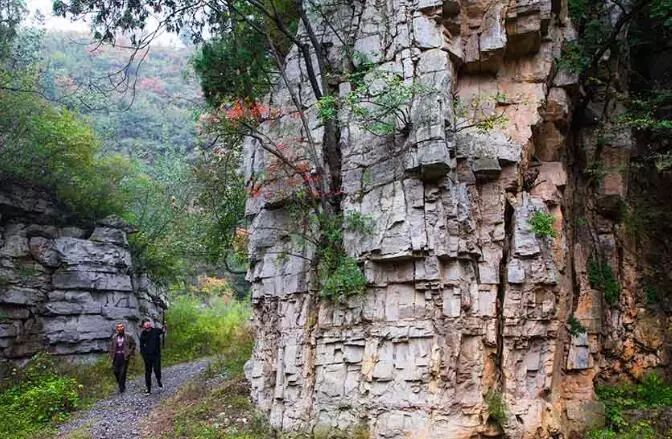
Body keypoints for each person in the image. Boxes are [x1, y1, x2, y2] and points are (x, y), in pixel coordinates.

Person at [139, 318, 167, 395]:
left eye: (148, 322)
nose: (147, 324)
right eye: (145, 323)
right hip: (147, 356)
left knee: (157, 370)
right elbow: (141, 346)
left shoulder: (156, 330)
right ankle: (148, 389)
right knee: (148, 372)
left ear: (150, 324)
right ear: (143, 325)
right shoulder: (143, 334)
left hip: (156, 355)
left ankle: (159, 380)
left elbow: (163, 331)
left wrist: (165, 326)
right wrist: (143, 355)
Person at [108, 323, 136, 394]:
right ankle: (120, 383)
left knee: (122, 372)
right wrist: (110, 354)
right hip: (116, 356)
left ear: (124, 328)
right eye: (119, 327)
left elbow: (133, 344)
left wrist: (129, 352)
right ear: (117, 329)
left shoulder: (128, 336)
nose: (120, 328)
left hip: (124, 357)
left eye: (121, 327)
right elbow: (111, 346)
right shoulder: (114, 337)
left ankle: (121, 387)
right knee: (115, 371)